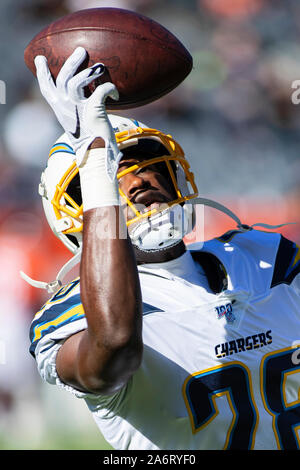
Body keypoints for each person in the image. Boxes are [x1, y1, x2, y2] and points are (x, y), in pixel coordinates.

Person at [25, 47, 300, 450]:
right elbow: (114, 347)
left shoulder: (268, 260)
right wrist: (95, 158)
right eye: (112, 175)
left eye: (144, 162)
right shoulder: (74, 314)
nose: (137, 182)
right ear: (74, 217)